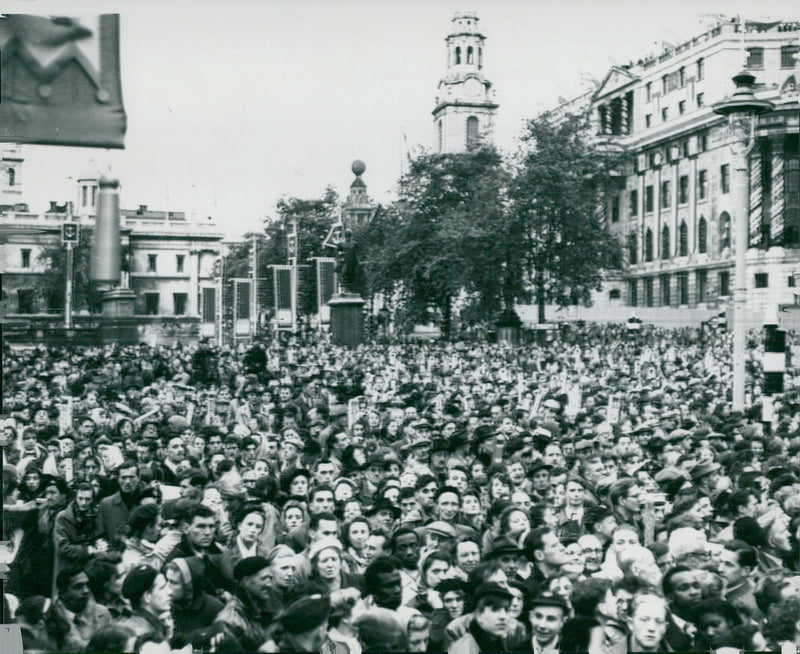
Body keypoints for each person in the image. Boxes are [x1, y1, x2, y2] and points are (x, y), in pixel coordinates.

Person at [214, 555, 272, 651]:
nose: (269, 584)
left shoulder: (261, 608)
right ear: (246, 581)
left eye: (270, 578)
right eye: (264, 578)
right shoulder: (230, 620)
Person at [164, 557, 224, 636]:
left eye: (173, 583)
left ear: (188, 586)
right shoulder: (166, 607)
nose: (167, 587)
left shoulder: (214, 609)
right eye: (167, 580)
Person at [447, 582, 513, 654]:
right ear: (479, 615)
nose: (503, 616)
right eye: (495, 609)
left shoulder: (499, 640)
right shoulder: (464, 649)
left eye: (506, 610)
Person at [118, 564, 173, 641]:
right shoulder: (141, 634)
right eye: (162, 588)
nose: (170, 591)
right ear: (147, 596)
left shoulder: (149, 625)